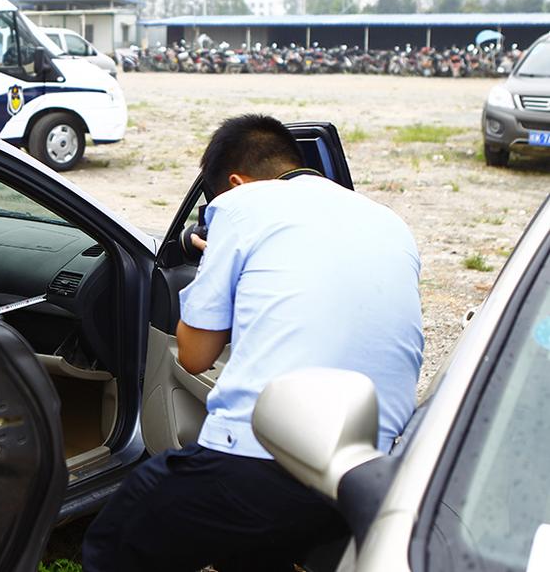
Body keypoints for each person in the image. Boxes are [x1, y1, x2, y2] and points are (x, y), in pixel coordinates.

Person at [82, 114, 424, 572]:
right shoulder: (388, 222)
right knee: (253, 550)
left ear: (238, 182)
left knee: (115, 538)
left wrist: (213, 262)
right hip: (367, 475)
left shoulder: (243, 207)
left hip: (265, 462)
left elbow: (195, 353)